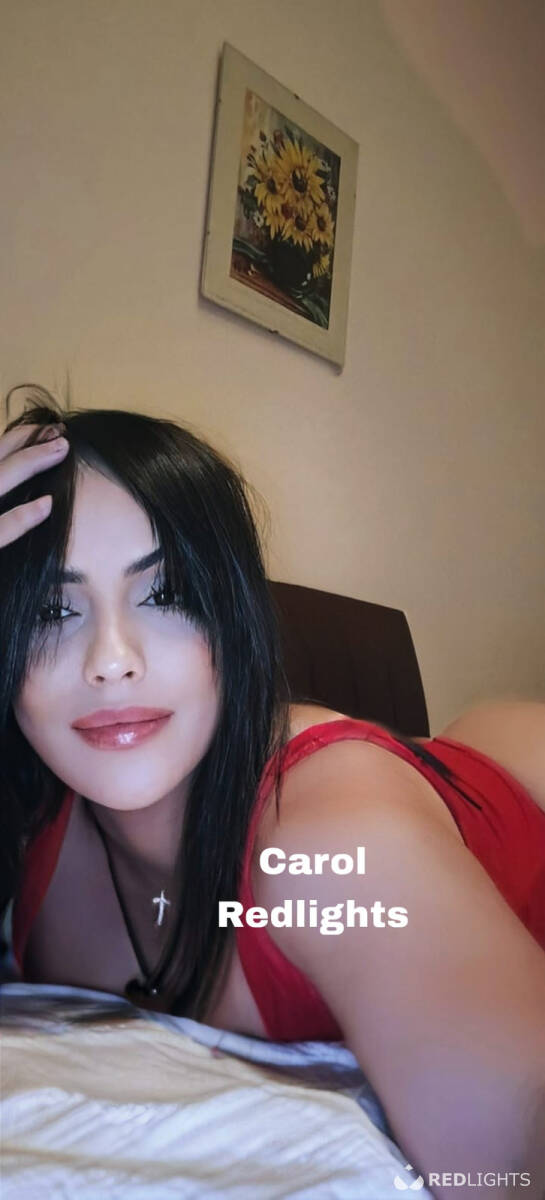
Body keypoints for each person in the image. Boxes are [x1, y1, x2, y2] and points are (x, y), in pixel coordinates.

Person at [1, 384, 544, 1199]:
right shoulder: (34, 828)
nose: (111, 660)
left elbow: (511, 1154)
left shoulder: (331, 851)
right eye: (50, 610)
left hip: (512, 772)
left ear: (234, 619)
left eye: (167, 593)